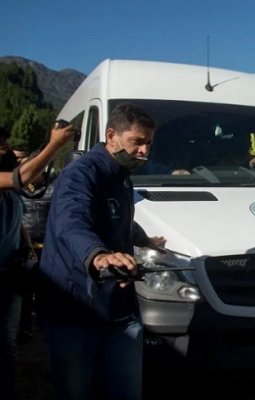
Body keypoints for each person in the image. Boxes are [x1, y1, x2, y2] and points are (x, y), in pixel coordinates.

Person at [39, 103, 167, 400]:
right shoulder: (79, 175)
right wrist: (97, 255)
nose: (144, 151)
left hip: (119, 310)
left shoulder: (121, 176)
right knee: (77, 391)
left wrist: (147, 241)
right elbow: (71, 223)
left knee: (127, 391)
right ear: (112, 135)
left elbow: (121, 223)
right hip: (74, 308)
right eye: (137, 142)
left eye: (149, 144)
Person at [0, 123, 74, 400]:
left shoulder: (9, 187)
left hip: (10, 273)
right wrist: (54, 145)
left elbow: (17, 218)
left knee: (7, 343)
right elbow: (23, 176)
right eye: (1, 143)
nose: (5, 147)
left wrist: (28, 248)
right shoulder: (8, 180)